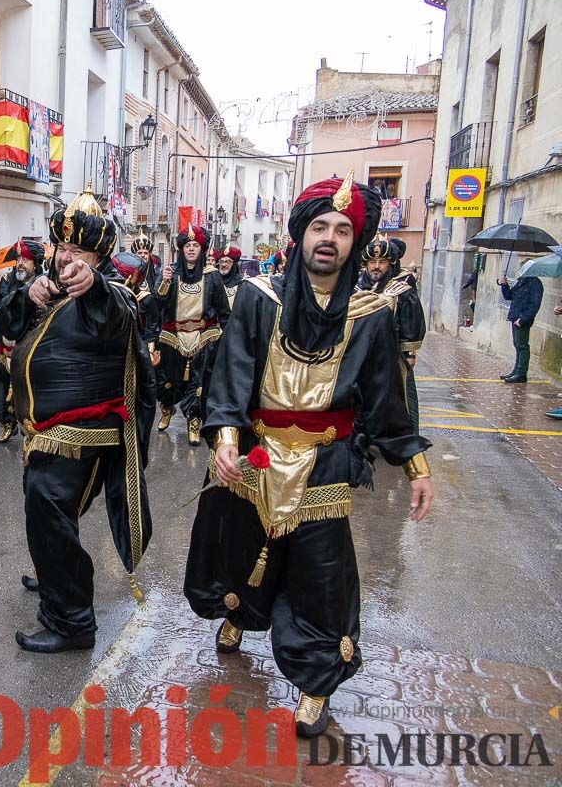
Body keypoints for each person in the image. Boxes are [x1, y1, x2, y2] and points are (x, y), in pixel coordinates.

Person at [183, 172, 434, 737]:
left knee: (321, 573)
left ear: (355, 241)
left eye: (343, 229)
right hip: (256, 457)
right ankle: (238, 613)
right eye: (320, 225)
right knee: (245, 545)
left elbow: (386, 400)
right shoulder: (257, 296)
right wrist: (225, 435)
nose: (330, 237)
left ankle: (315, 680)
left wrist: (415, 466)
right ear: (301, 234)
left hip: (325, 461)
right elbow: (232, 371)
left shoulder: (371, 315)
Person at [0, 188, 155, 653]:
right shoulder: (48, 286)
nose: (66, 258)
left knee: (51, 512)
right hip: (42, 432)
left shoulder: (113, 293)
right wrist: (27, 295)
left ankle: (72, 622)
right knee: (49, 517)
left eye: (77, 251)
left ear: (98, 257)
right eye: (61, 248)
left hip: (80, 435)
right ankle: (53, 575)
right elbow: (2, 326)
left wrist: (93, 283)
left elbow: (113, 314)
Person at [152, 222, 231, 445]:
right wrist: (165, 282)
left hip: (203, 336)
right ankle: (167, 408)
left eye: (195, 245)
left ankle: (194, 421)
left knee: (198, 383)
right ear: (181, 249)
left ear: (202, 249)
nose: (191, 249)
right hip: (173, 336)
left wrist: (228, 338)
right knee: (168, 380)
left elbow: (224, 311)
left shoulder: (212, 276)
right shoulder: (170, 272)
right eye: (188, 246)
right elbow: (157, 303)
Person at [357, 236, 426, 432]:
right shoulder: (356, 288)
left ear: (391, 263)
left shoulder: (400, 290)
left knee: (399, 396)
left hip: (392, 355)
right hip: (361, 354)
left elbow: (410, 321)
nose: (376, 266)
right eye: (372, 262)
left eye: (382, 262)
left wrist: (409, 353)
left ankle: (404, 437)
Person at [0, 241, 44, 443]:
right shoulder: (7, 280)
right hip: (3, 351)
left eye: (25, 259)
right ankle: (7, 423)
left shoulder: (43, 284)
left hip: (27, 353)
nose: (20, 263)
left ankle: (32, 434)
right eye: (18, 259)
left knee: (28, 401)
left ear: (35, 262)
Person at [497, 267, 544, 383]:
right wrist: (504, 285)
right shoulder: (521, 281)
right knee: (517, 345)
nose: (520, 271)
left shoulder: (535, 283)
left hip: (522, 319)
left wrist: (523, 319)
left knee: (522, 346)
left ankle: (521, 373)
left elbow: (534, 304)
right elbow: (509, 296)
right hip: (515, 317)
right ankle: (516, 371)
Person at [216, 246, 245, 310]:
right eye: (221, 261)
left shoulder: (242, 284)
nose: (223, 265)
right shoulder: (214, 281)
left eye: (228, 262)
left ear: (234, 264)